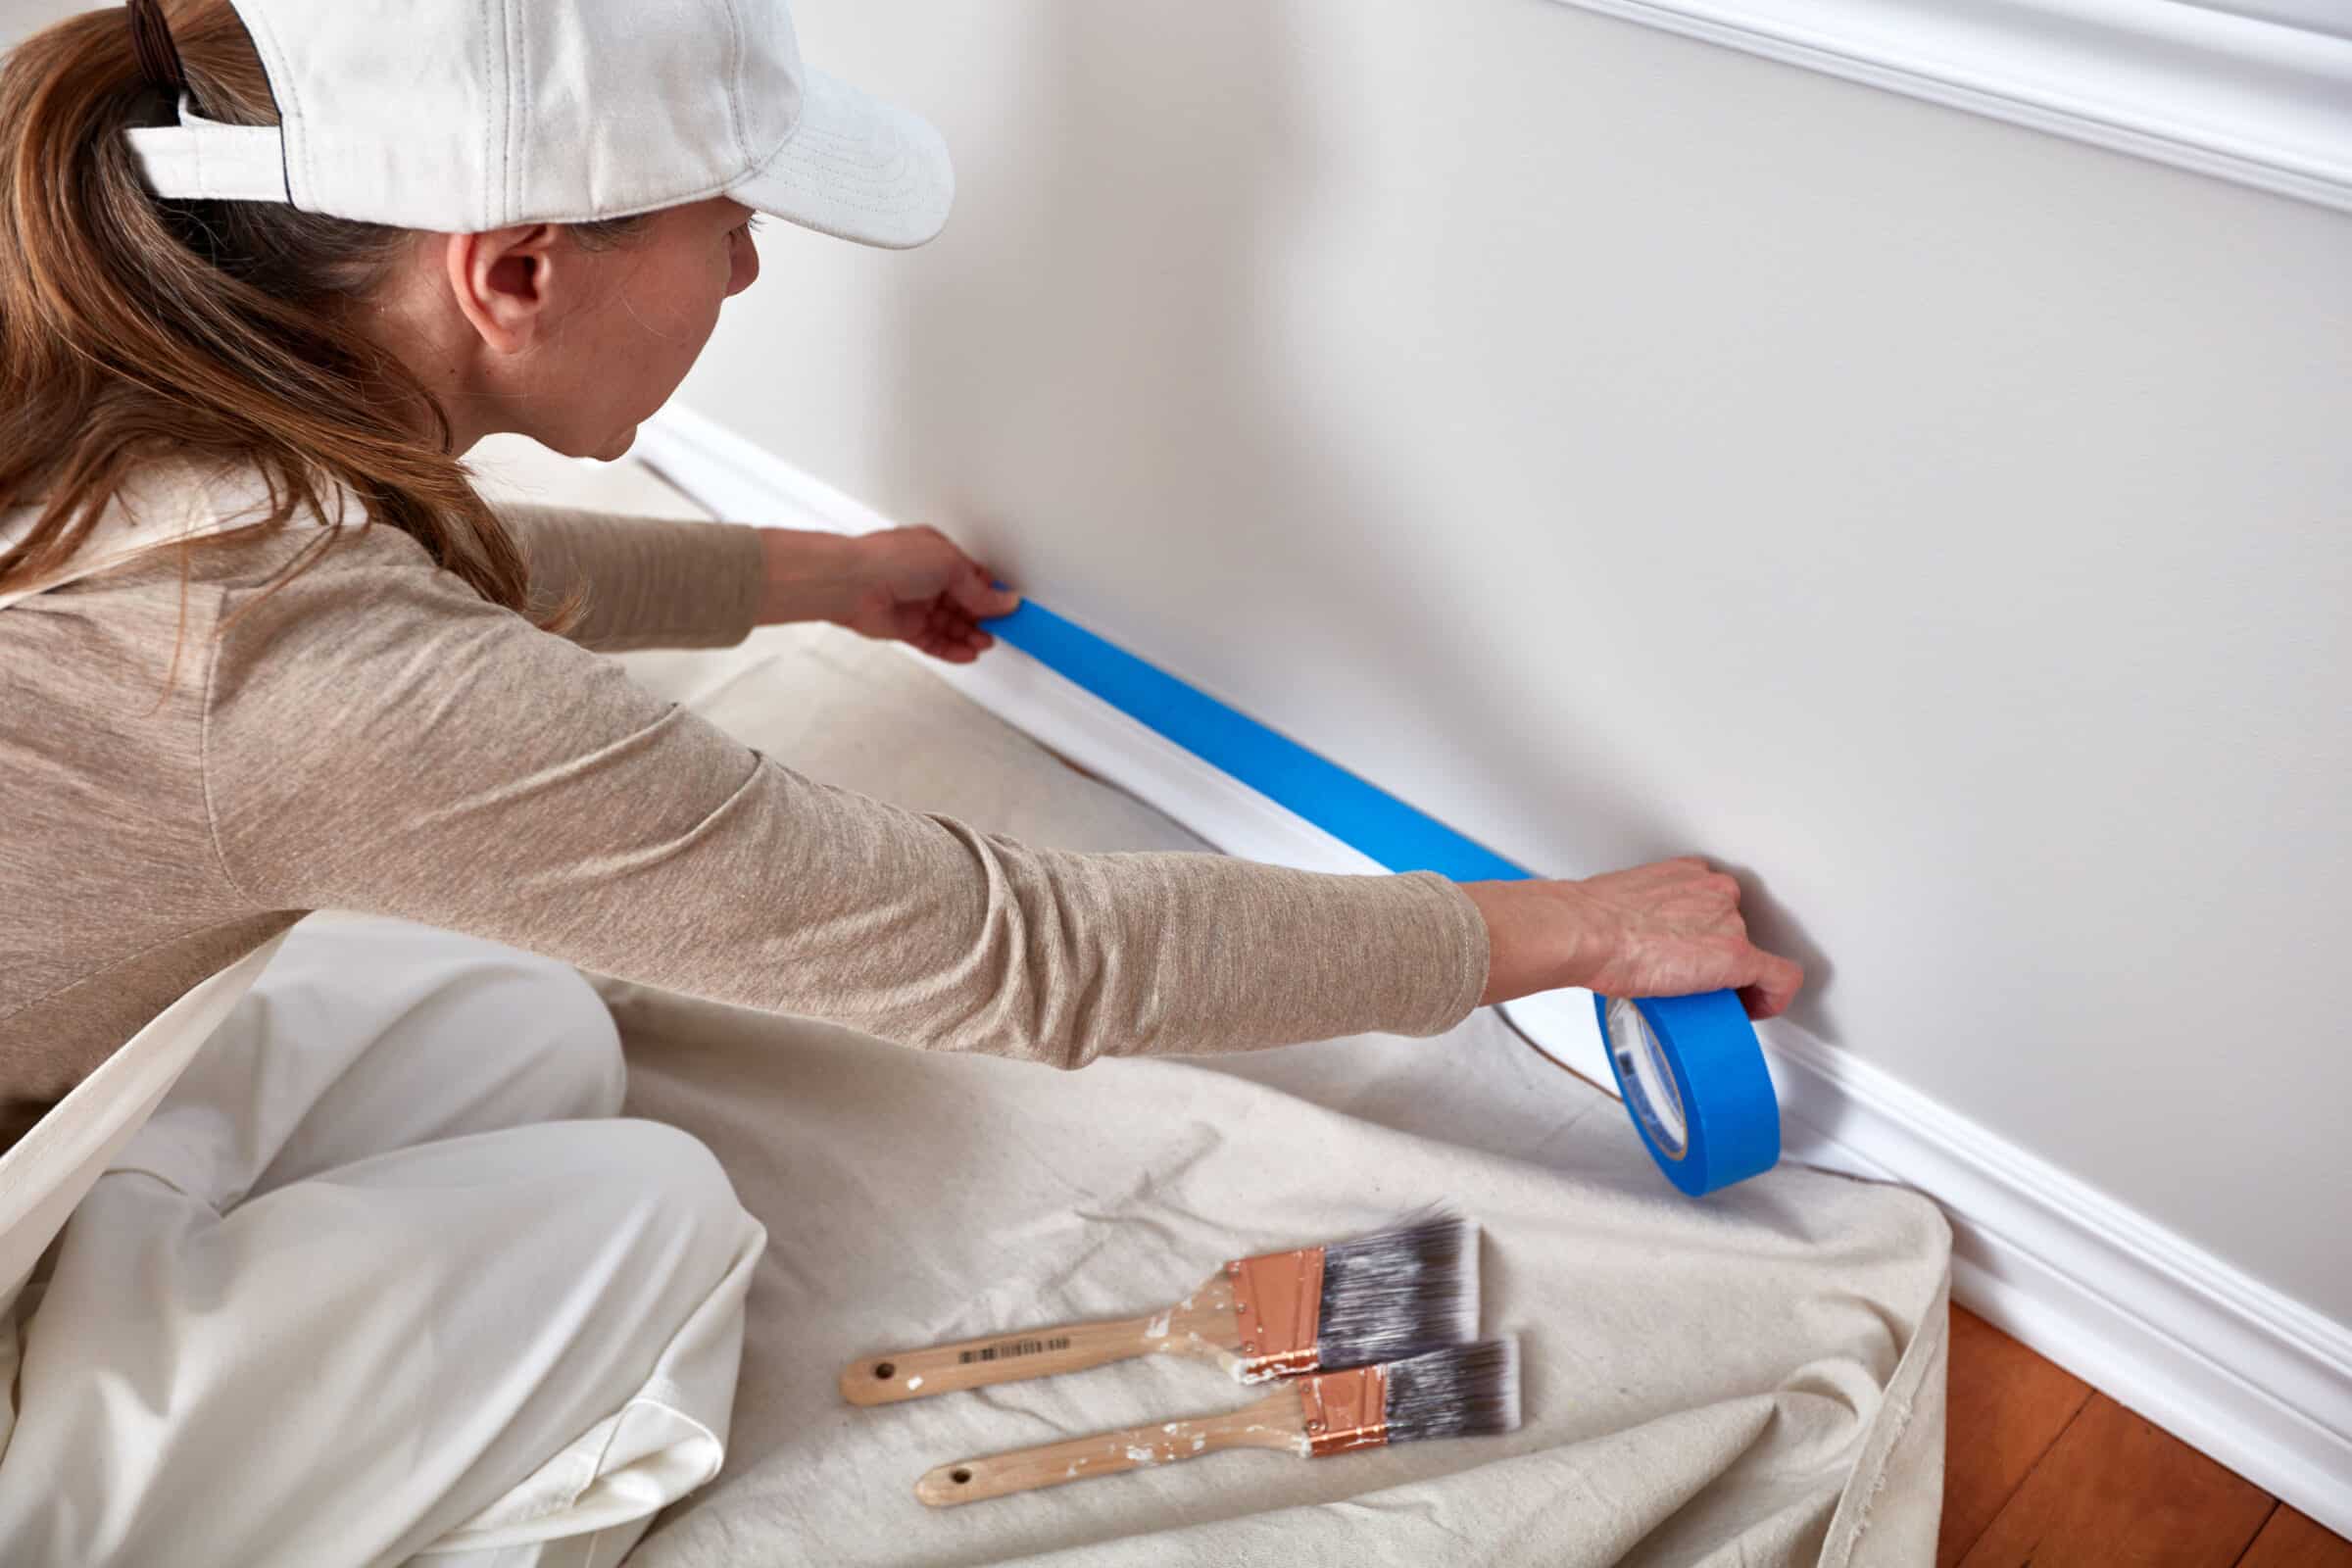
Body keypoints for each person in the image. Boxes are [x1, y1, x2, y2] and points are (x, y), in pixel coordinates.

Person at [0, 0, 1806, 1562]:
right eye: (730, 222)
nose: (752, 269)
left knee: (515, 1019)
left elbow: (420, 590)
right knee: (649, 1220)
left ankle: (146, 1295)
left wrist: (812, 577)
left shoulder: (143, 380)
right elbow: (1013, 953)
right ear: (519, 269)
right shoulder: (276, 669)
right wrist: (1569, 932)